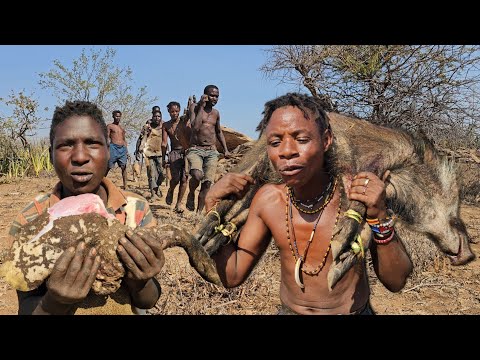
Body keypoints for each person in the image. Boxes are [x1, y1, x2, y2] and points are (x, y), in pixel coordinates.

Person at [204, 93, 413, 315]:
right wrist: (213, 207)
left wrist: (379, 216)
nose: (286, 151)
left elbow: (396, 281)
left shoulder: (356, 196)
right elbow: (233, 274)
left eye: (301, 139)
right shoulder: (269, 201)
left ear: (326, 140)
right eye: (275, 142)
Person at [10, 100, 164, 315]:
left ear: (109, 152)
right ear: (50, 155)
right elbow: (25, 307)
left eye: (92, 143)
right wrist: (54, 301)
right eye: (65, 145)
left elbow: (148, 301)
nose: (80, 157)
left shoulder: (134, 210)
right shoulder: (32, 218)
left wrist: (141, 281)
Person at [185, 85, 230, 213]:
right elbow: (195, 127)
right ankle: (192, 192)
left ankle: (199, 213)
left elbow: (219, 131)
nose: (215, 98)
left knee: (207, 183)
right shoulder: (194, 107)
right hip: (195, 149)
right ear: (205, 95)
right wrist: (201, 106)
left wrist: (226, 149)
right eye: (212, 95)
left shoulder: (216, 113)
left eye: (217, 96)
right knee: (197, 175)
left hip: (211, 151)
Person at [162, 101, 187, 213]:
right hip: (174, 153)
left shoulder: (184, 122)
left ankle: (179, 204)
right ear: (168, 112)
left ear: (179, 111)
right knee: (176, 178)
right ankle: (171, 190)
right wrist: (164, 157)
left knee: (184, 179)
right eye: (172, 111)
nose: (174, 113)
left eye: (176, 111)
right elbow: (164, 142)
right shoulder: (166, 125)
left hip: (186, 152)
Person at [135, 109, 165, 201]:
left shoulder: (164, 126)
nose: (157, 118)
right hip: (148, 153)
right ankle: (153, 195)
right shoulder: (147, 127)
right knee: (151, 175)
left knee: (162, 174)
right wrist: (138, 150)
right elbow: (140, 138)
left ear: (161, 117)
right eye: (155, 116)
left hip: (160, 153)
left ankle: (157, 187)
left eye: (159, 116)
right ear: (152, 117)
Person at [106, 110, 128, 190]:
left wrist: (126, 149)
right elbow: (107, 137)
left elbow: (124, 139)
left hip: (122, 148)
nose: (118, 118)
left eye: (119, 116)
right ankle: (102, 181)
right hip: (113, 147)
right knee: (108, 166)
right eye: (116, 116)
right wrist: (108, 148)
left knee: (124, 167)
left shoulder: (122, 128)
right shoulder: (110, 126)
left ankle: (126, 186)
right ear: (113, 116)